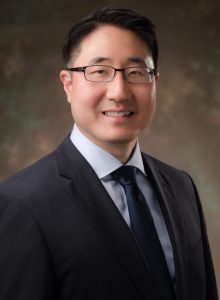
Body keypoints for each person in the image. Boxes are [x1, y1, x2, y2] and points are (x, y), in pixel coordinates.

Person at [0, 7, 218, 300]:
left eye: (136, 72)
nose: (119, 91)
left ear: (155, 82)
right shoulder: (22, 203)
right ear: (68, 84)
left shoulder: (181, 187)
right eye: (99, 71)